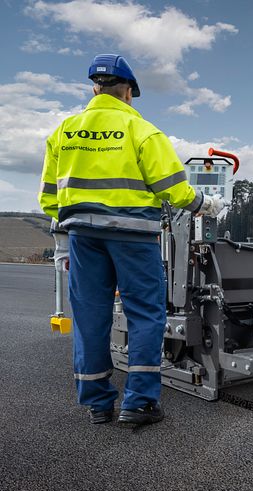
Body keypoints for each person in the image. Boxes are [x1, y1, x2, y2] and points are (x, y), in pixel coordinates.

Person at [38, 54, 225, 425]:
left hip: (83, 238)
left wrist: (64, 241)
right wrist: (209, 204)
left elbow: (48, 196)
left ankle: (97, 403)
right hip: (133, 237)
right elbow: (173, 188)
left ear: (95, 88)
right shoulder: (142, 132)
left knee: (90, 317)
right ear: (128, 93)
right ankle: (138, 403)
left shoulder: (64, 131)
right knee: (145, 314)